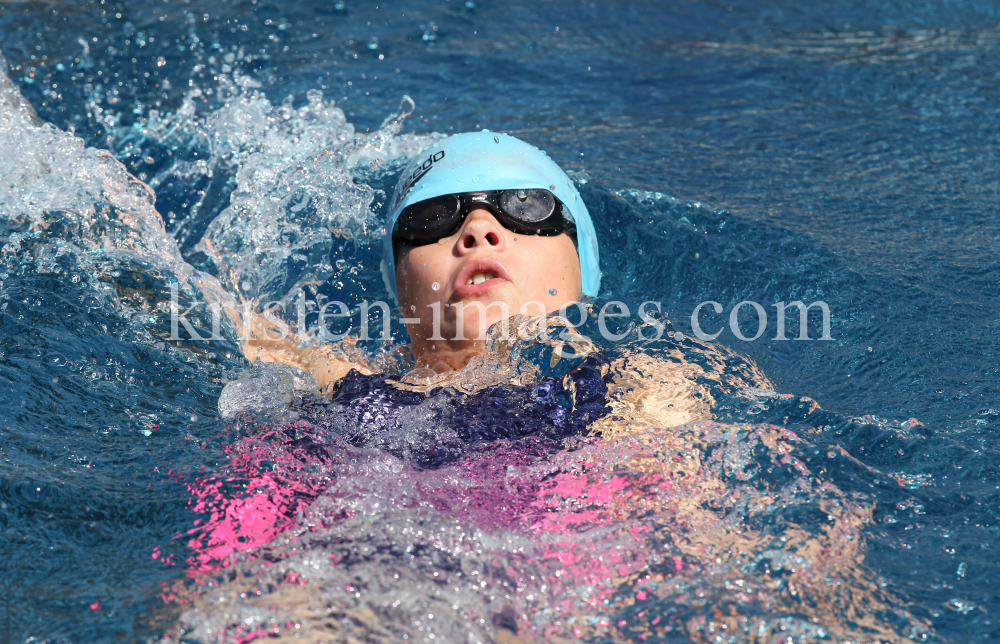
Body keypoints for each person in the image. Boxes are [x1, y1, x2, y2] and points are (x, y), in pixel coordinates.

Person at [237, 131, 726, 450]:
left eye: (526, 206)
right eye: (432, 218)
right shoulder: (335, 382)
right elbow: (205, 311)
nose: (477, 229)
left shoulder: (635, 385)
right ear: (400, 285)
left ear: (584, 268)